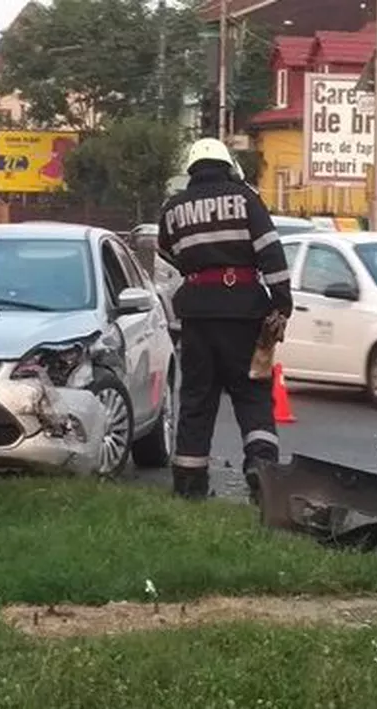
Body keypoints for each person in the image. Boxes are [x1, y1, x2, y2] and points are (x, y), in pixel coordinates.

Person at [156, 138, 293, 501]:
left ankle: (189, 483)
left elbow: (165, 249)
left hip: (196, 315)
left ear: (191, 169)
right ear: (228, 165)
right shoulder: (246, 199)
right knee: (252, 395)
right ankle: (262, 469)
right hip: (244, 312)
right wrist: (281, 304)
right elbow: (271, 253)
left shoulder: (174, 207)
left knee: (196, 398)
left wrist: (197, 266)